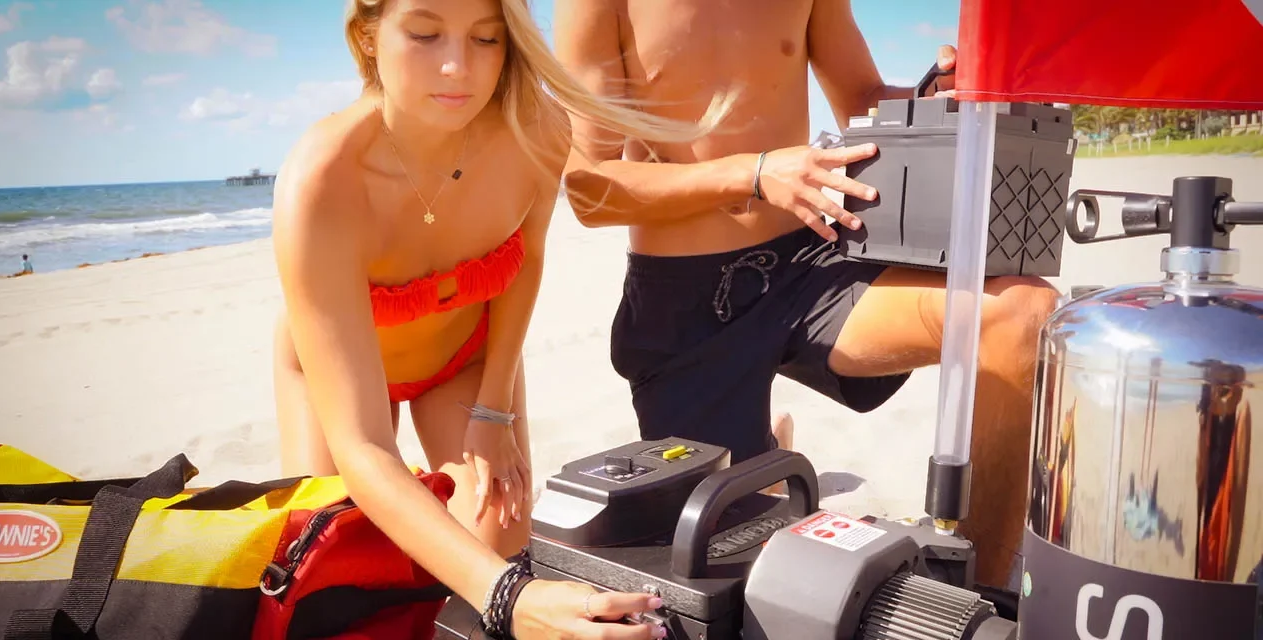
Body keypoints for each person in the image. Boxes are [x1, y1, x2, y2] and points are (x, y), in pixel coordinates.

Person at [553, 0, 1061, 588]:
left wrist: (943, 92)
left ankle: (979, 596)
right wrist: (752, 172)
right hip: (686, 304)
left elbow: (862, 96)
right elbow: (590, 188)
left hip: (810, 265)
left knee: (1022, 312)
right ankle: (766, 448)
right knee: (720, 558)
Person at [272, 0, 726, 637]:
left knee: (495, 539)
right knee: (328, 561)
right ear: (370, 36)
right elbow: (364, 446)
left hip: (462, 360)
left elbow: (526, 263)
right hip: (337, 377)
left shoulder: (536, 130)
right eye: (426, 34)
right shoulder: (322, 178)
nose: (458, 66)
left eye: (486, 39)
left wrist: (495, 411)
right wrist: (514, 600)